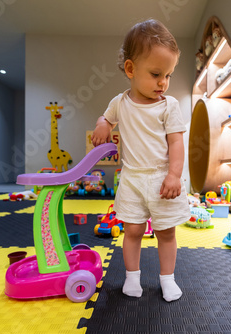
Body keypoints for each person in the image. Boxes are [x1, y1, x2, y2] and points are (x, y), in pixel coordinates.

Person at [91, 19, 190, 302]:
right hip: (132, 177)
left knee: (166, 232)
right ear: (130, 69)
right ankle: (131, 278)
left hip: (161, 178)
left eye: (169, 75)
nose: (164, 82)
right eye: (157, 73)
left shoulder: (168, 106)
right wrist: (102, 124)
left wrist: (174, 175)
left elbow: (176, 143)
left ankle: (167, 279)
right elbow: (106, 118)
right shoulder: (119, 103)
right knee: (132, 230)